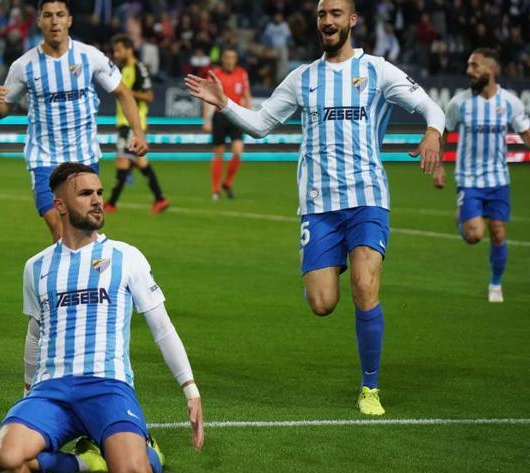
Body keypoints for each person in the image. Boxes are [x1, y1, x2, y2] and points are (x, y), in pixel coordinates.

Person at [186, 0, 445, 415]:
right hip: (319, 205)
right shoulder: (303, 78)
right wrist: (224, 104)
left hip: (367, 198)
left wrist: (433, 132)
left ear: (352, 21)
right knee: (322, 303)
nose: (327, 21)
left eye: (336, 14)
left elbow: (431, 106)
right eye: (323, 15)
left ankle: (370, 389)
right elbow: (261, 125)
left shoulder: (377, 71)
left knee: (364, 285)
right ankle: (333, 266)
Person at [0, 162, 204, 473]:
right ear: (60, 205)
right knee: (6, 461)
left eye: (99, 193)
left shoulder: (126, 256)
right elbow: (35, 333)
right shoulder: (36, 266)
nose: (97, 200)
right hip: (51, 390)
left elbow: (162, 327)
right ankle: (87, 462)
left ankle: (148, 449)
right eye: (86, 193)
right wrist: (27, 388)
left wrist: (190, 388)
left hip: (107, 386)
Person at [0, 0, 149, 242]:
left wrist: (138, 133)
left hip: (83, 157)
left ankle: (88, 278)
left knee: (85, 230)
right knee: (60, 230)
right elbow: (1, 111)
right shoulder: (23, 66)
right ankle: (65, 278)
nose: (54, 21)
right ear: (39, 21)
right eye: (48, 15)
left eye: (60, 14)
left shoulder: (90, 56)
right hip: (44, 159)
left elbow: (123, 93)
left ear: (69, 20)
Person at [434, 48, 530, 303]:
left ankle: (495, 284)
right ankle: (462, 219)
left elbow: (525, 132)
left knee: (498, 232)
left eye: (475, 66)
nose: (469, 71)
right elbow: (443, 133)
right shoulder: (459, 103)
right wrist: (439, 166)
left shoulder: (510, 102)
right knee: (474, 235)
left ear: (491, 70)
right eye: (468, 66)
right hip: (469, 179)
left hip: (499, 179)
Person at [102, 34, 169, 215]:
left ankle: (110, 203)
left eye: (119, 50)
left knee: (122, 160)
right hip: (124, 122)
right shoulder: (121, 69)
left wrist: (127, 93)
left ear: (129, 49)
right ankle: (160, 199)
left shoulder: (139, 68)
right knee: (141, 162)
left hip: (133, 123)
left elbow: (149, 96)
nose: (115, 53)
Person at [202, 46, 252, 200]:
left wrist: (249, 115)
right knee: (219, 153)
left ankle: (228, 183)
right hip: (220, 116)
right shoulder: (215, 74)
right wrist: (206, 119)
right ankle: (215, 190)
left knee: (238, 151)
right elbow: (207, 96)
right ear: (222, 59)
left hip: (236, 116)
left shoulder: (242, 73)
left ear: (236, 60)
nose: (230, 60)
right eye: (227, 57)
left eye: (232, 58)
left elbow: (246, 95)